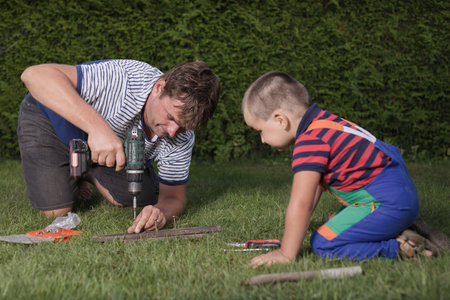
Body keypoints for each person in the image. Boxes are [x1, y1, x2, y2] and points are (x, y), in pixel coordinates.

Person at [241, 71, 437, 267]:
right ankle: (401, 227)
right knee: (333, 224)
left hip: (387, 204)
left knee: (324, 244)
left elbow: (302, 203)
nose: (263, 139)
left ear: (280, 119)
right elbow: (314, 191)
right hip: (400, 197)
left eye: (261, 131)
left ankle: (401, 248)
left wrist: (286, 253)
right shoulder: (325, 123)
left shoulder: (310, 142)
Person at [18, 59, 220, 233]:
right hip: (50, 120)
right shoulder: (124, 80)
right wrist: (97, 129)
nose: (173, 131)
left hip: (106, 147)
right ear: (159, 88)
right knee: (56, 211)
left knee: (142, 196)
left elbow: (174, 197)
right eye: (169, 117)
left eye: (183, 127)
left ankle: (86, 169)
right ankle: (73, 171)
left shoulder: (182, 135)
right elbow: (35, 75)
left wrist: (162, 212)